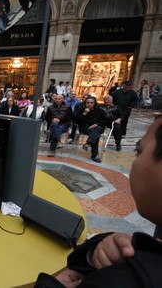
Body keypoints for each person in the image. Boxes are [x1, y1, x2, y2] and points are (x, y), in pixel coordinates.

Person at [34, 117, 162, 287]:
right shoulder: (139, 252)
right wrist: (94, 253)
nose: (133, 163)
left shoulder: (125, 280)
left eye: (138, 151)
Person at [75, 96, 107, 163]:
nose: (89, 104)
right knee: (96, 135)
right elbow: (76, 121)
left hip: (98, 127)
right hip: (86, 128)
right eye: (88, 102)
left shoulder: (100, 111)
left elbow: (105, 120)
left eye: (91, 103)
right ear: (85, 103)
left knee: (96, 130)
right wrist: (84, 113)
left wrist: (95, 124)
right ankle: (93, 155)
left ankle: (88, 143)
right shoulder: (82, 110)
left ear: (94, 103)